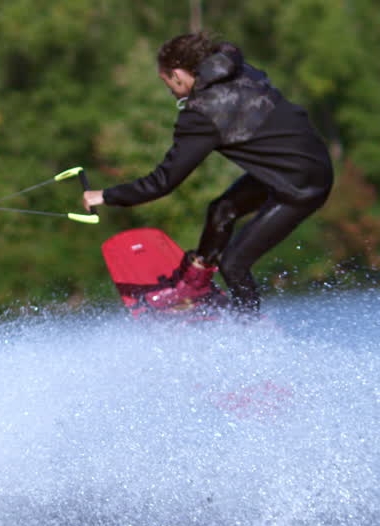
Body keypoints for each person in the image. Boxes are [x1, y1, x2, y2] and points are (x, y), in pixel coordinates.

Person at [83, 32, 334, 314]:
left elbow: (162, 182)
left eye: (167, 82)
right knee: (222, 210)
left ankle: (248, 329)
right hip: (303, 163)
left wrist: (105, 195)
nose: (170, 90)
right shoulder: (236, 68)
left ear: (177, 75)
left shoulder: (202, 114)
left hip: (302, 186)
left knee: (234, 264)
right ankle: (195, 282)